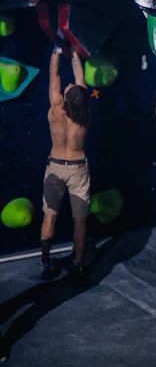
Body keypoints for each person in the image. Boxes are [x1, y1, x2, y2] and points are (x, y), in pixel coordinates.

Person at [40, 48, 91, 285]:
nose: (70, 85)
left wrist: (57, 53)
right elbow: (79, 81)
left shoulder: (56, 110)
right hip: (78, 169)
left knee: (50, 216)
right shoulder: (84, 113)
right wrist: (75, 54)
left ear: (67, 98)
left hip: (56, 167)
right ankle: (78, 265)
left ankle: (45, 262)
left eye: (70, 88)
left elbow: (55, 77)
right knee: (80, 220)